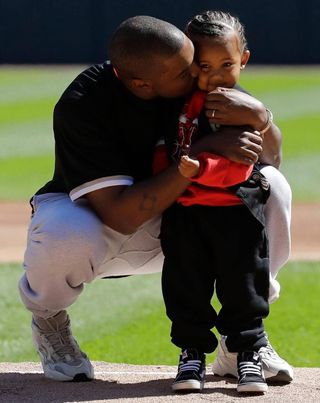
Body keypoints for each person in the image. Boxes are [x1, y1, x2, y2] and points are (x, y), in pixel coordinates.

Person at [18, 15, 291, 385]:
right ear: (142, 84)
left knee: (270, 185)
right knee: (64, 231)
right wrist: (202, 149)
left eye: (193, 60)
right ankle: (49, 317)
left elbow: (269, 158)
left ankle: (241, 340)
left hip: (181, 224)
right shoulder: (84, 103)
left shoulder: (197, 85)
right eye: (183, 71)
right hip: (105, 227)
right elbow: (120, 216)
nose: (195, 72)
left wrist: (261, 118)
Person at [152, 10, 282, 394]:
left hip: (236, 212)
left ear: (243, 59)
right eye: (202, 66)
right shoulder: (176, 105)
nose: (213, 76)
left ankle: (248, 355)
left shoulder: (243, 106)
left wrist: (260, 119)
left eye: (226, 64)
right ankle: (191, 354)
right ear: (189, 64)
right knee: (185, 286)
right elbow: (163, 156)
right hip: (186, 212)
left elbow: (260, 160)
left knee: (244, 286)